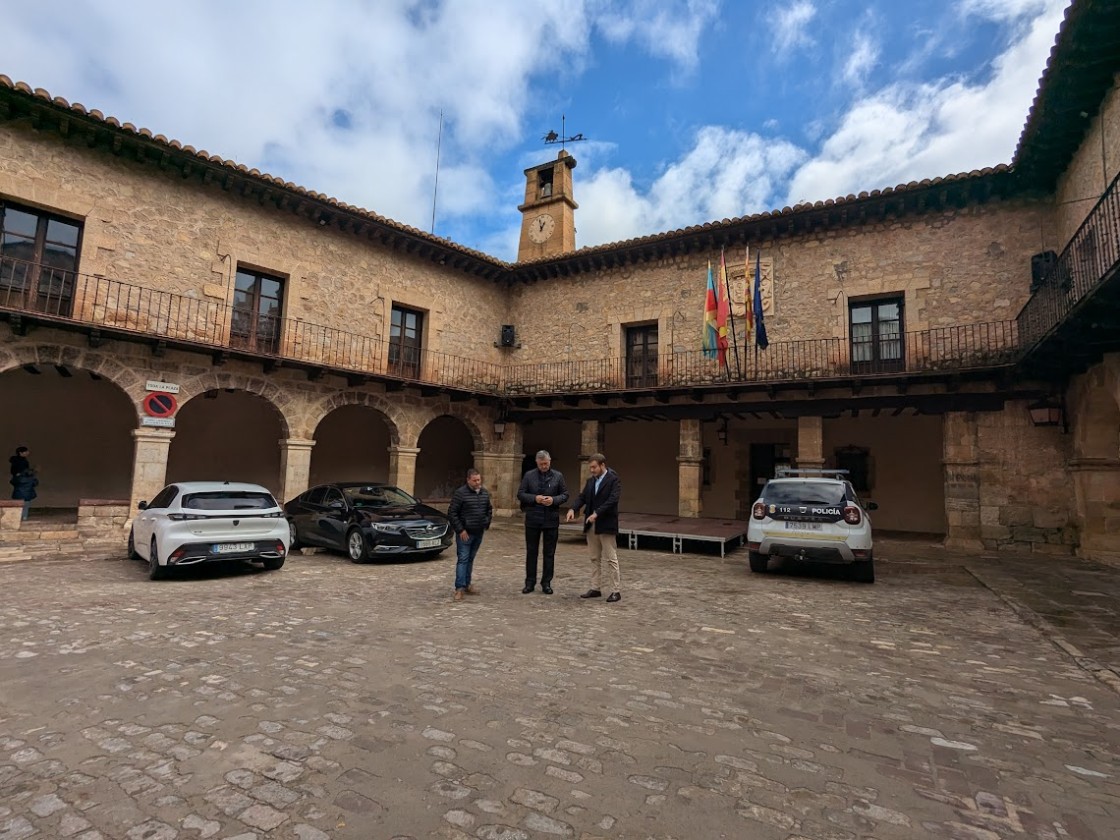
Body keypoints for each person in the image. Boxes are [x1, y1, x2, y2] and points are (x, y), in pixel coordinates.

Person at [566, 453, 623, 602]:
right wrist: (573, 509)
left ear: (602, 465)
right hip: (591, 525)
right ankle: (595, 588)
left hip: (606, 524)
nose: (591, 470)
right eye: (590, 467)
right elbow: (582, 497)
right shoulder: (591, 481)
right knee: (594, 557)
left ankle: (615, 590)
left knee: (611, 558)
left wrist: (597, 513)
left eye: (594, 467)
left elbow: (613, 500)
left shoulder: (613, 479)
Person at [517, 450, 568, 594]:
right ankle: (530, 582)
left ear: (550, 461)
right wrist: (535, 498)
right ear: (537, 463)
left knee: (549, 553)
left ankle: (546, 582)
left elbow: (565, 494)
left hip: (551, 520)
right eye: (541, 464)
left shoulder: (558, 476)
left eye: (546, 463)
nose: (544, 466)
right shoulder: (529, 475)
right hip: (533, 519)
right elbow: (520, 494)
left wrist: (553, 500)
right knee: (531, 552)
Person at [446, 468, 492, 602]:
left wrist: (486, 523)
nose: (478, 482)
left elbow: (488, 509)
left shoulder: (484, 493)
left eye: (479, 479)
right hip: (465, 534)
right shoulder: (460, 493)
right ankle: (459, 588)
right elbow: (452, 513)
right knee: (463, 559)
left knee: (470, 559)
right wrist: (460, 530)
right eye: (475, 480)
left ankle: (467, 584)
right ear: (468, 480)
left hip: (478, 532)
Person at [9, 446, 37, 521]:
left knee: (18, 502)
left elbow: (12, 479)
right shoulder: (23, 463)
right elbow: (34, 482)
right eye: (26, 451)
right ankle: (24, 517)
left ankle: (18, 517)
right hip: (26, 488)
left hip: (18, 488)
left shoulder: (15, 463)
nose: (28, 453)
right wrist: (33, 472)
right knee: (26, 502)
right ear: (21, 453)